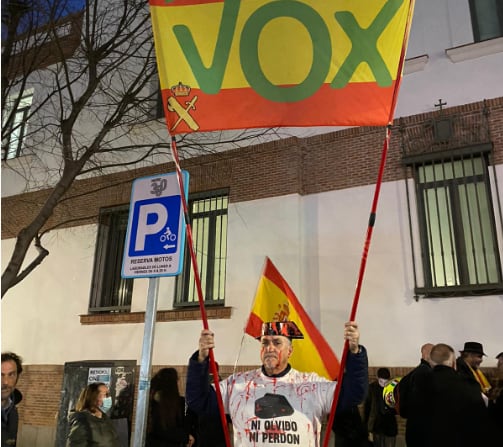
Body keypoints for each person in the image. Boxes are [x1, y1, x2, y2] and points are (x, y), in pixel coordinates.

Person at [186, 320, 368, 447]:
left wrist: (355, 352)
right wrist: (201, 359)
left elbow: (353, 395)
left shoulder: (312, 385)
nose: (269, 348)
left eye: (277, 342)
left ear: (290, 350)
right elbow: (199, 401)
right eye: (265, 342)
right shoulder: (238, 385)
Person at [416, 343, 490, 446]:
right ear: (453, 363)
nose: (481, 360)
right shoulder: (465, 382)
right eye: (479, 356)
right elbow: (478, 418)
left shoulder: (418, 382)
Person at [146, 367, 197, 447]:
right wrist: (186, 437)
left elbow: (156, 428)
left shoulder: (152, 402)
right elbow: (189, 425)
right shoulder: (182, 403)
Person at [395, 343, 432, 447]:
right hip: (422, 430)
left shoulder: (414, 373)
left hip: (413, 426)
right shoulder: (425, 373)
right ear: (427, 354)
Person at [66, 382, 121, 447]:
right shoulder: (82, 421)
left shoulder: (106, 419)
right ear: (93, 397)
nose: (109, 398)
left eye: (108, 394)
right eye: (105, 394)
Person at [364, 368, 397, 447]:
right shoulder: (371, 388)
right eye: (381, 381)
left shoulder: (392, 388)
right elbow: (367, 408)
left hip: (390, 423)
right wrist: (367, 428)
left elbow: (396, 409)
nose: (383, 384)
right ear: (377, 378)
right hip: (377, 423)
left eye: (385, 382)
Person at [1, 352, 23, 447]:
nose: (6, 382)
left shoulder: (13, 411)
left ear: (17, 377)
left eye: (11, 375)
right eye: (1, 375)